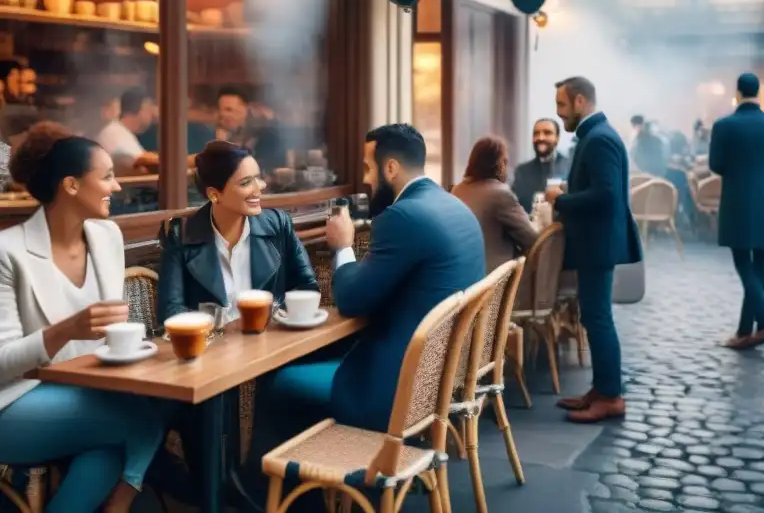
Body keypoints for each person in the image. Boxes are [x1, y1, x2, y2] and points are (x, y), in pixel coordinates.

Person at [255, 124, 484, 446]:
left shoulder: (403, 216)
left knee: (278, 382)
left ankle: (272, 490)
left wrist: (343, 246)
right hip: (439, 379)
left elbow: (350, 299)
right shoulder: (455, 207)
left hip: (394, 387)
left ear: (390, 167)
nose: (366, 178)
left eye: (367, 167)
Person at [0, 123, 165, 513]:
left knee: (111, 447)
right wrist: (66, 330)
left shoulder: (107, 237)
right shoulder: (8, 251)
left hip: (84, 391)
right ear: (71, 185)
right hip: (13, 403)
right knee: (141, 420)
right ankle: (121, 505)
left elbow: (109, 336)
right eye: (107, 176)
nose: (118, 187)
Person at [545, 77, 642, 423]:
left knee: (598, 319)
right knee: (593, 317)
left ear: (581, 102)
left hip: (597, 244)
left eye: (562, 105)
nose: (558, 114)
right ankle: (601, 389)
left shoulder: (599, 139)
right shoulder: (596, 136)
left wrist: (562, 199)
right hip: (595, 242)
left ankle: (611, 397)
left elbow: (606, 196)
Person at [156, 141, 319, 323]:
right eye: (246, 182)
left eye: (258, 178)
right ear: (214, 194)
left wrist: (275, 321)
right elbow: (170, 313)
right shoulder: (181, 235)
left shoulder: (278, 225)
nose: (260, 187)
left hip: (272, 342)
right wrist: (221, 331)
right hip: (212, 348)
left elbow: (307, 287)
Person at [709, 73, 764, 350]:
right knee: (759, 261)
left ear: (738, 93)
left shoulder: (724, 125)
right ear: (759, 92)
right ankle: (745, 331)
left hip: (737, 198)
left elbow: (716, 165)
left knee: (743, 262)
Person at [452, 136, 538, 274]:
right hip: (494, 282)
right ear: (499, 164)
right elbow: (532, 239)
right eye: (505, 161)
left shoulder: (458, 189)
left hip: (464, 274)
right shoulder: (500, 193)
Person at [510, 118, 570, 212]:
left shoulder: (570, 166)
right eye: (536, 133)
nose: (541, 138)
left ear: (557, 138)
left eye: (547, 133)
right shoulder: (522, 171)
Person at [95, 88, 159, 174]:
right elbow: (143, 166)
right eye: (149, 109)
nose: (153, 115)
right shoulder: (113, 133)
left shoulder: (121, 131)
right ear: (142, 109)